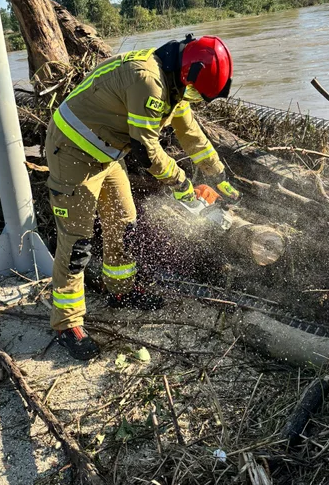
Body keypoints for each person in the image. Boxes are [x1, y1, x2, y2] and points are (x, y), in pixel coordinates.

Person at [46, 34, 240, 360]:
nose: (191, 97)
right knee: (76, 243)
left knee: (124, 222)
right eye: (193, 91)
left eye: (197, 95)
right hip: (73, 152)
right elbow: (148, 152)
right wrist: (182, 186)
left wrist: (218, 175)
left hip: (106, 153)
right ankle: (66, 323)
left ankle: (119, 291)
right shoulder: (148, 82)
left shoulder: (175, 83)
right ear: (186, 72)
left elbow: (190, 132)